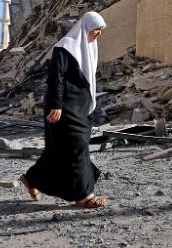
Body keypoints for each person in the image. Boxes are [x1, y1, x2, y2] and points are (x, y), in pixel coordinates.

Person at [19, 11, 108, 209]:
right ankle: (84, 196)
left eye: (101, 30)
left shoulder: (89, 48)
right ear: (86, 28)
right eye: (96, 29)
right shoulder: (65, 47)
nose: (99, 34)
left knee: (61, 150)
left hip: (81, 108)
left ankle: (32, 178)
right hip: (64, 108)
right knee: (77, 148)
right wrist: (56, 105)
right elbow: (55, 78)